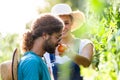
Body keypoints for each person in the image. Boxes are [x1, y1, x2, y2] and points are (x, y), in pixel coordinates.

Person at [44, 4, 94, 80]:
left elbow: (86, 63)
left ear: (72, 23)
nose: (63, 27)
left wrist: (70, 54)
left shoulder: (84, 44)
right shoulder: (48, 52)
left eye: (66, 23)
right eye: (59, 24)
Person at [17, 13, 64, 80]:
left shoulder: (39, 60)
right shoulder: (32, 62)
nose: (60, 43)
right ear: (45, 35)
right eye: (57, 37)